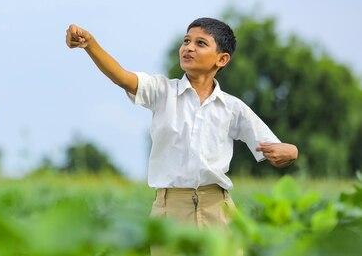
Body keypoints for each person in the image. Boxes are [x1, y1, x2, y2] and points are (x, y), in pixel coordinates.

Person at [65, 18, 298, 228]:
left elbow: (275, 149)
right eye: (186, 41)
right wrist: (90, 44)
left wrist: (292, 151)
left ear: (222, 59)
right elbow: (121, 76)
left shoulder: (233, 108)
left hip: (219, 210)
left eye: (200, 43)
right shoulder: (161, 91)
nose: (188, 47)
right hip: (169, 211)